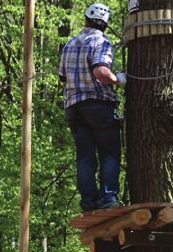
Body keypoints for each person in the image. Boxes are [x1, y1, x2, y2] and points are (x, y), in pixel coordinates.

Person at [59, 3, 127, 212]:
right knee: (109, 154)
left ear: (86, 19)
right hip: (98, 105)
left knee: (85, 157)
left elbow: (63, 77)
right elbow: (101, 71)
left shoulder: (69, 44)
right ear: (105, 24)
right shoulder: (101, 41)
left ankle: (88, 204)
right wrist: (118, 80)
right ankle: (107, 200)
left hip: (74, 108)